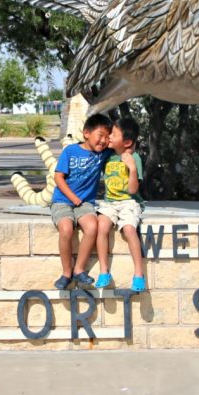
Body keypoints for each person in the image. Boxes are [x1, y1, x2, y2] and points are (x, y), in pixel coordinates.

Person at [51, 113, 112, 289]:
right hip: (63, 200)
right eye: (100, 135)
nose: (103, 141)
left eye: (107, 138)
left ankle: (79, 269)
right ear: (86, 133)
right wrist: (73, 198)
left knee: (92, 227)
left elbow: (120, 143)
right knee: (66, 229)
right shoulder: (70, 151)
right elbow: (58, 177)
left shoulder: (102, 154)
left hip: (85, 203)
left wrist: (114, 140)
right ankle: (66, 272)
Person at [93, 117, 147, 292]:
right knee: (101, 227)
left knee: (129, 230)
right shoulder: (107, 156)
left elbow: (132, 190)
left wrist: (131, 168)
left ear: (127, 142)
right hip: (109, 202)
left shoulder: (134, 158)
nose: (108, 137)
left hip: (129, 202)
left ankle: (139, 273)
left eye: (113, 135)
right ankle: (104, 271)